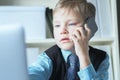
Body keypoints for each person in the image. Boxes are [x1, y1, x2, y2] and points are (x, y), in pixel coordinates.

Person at [28, 0, 109, 80]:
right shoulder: (48, 58)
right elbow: (31, 74)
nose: (62, 31)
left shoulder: (101, 58)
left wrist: (83, 55)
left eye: (71, 24)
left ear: (88, 27)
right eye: (57, 25)